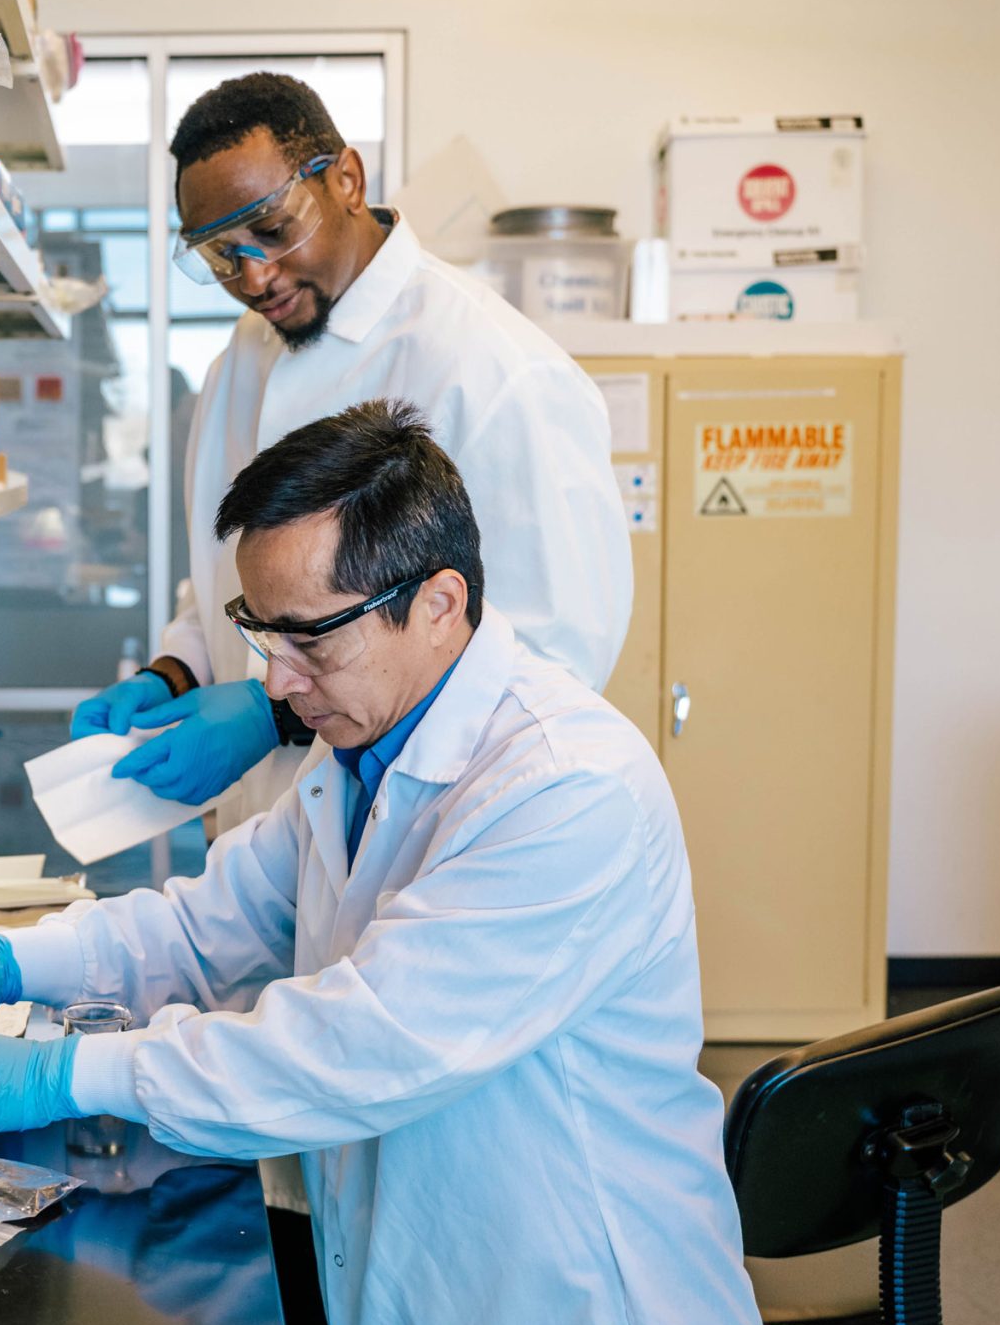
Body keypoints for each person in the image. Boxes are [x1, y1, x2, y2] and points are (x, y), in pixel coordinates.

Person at [0, 403, 781, 1325]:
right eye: (263, 634)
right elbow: (204, 927)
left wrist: (62, 1073)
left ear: (440, 605)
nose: (279, 683)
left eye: (311, 637)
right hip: (435, 1287)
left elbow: (351, 1048)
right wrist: (8, 959)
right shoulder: (360, 753)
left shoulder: (561, 788)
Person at [76, 71, 630, 834]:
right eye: (219, 255)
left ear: (345, 178)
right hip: (258, 844)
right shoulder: (238, 363)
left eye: (272, 230)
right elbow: (226, 579)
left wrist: (279, 718)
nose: (254, 276)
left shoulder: (494, 368)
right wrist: (176, 672)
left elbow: (549, 654)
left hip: (413, 837)